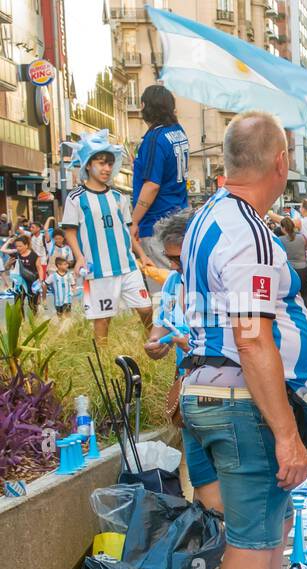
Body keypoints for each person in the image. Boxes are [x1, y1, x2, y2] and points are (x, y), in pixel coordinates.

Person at [178, 110, 307, 569]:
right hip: (241, 403)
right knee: (253, 541)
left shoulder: (209, 218)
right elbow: (253, 336)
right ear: (281, 163)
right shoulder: (249, 231)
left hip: (213, 392)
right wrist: (286, 433)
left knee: (267, 531)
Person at [139, 207, 222, 513]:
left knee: (223, 481)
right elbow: (160, 326)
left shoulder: (219, 283)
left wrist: (194, 345)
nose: (174, 266)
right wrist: (154, 344)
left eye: (179, 258)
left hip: (222, 393)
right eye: (169, 258)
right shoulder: (173, 283)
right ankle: (209, 548)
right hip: (188, 394)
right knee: (201, 480)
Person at [62, 131, 154, 342]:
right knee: (103, 320)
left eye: (109, 163)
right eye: (101, 163)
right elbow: (70, 231)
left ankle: (154, 347)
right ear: (87, 164)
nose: (106, 168)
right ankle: (103, 362)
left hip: (128, 266)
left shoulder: (119, 197)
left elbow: (128, 230)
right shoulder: (76, 198)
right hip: (99, 270)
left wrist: (141, 255)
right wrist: (79, 257)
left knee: (147, 309)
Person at [130, 85, 190, 270]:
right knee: (181, 278)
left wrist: (134, 221)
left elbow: (152, 186)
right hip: (180, 217)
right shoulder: (178, 131)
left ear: (144, 106)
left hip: (158, 223)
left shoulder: (155, 138)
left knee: (164, 288)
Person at [278, 216, 307, 319]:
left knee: (292, 295)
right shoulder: (302, 237)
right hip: (304, 269)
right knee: (306, 294)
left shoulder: (280, 240)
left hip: (289, 271)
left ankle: (296, 316)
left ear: (283, 228)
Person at [2, 235, 42, 312]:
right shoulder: (15, 253)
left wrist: (41, 280)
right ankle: (22, 322)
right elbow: (3, 250)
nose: (18, 248)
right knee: (18, 305)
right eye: (16, 246)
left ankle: (34, 321)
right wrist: (8, 241)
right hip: (18, 284)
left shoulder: (34, 255)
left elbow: (39, 268)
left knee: (33, 305)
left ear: (26, 245)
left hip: (31, 283)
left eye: (20, 246)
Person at [47, 255, 75, 320]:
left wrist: (72, 293)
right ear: (58, 265)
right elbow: (45, 284)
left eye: (67, 264)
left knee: (67, 316)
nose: (67, 266)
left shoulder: (69, 275)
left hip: (67, 299)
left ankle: (68, 328)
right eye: (64, 264)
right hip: (57, 301)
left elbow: (73, 285)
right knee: (60, 318)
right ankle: (62, 329)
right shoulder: (53, 276)